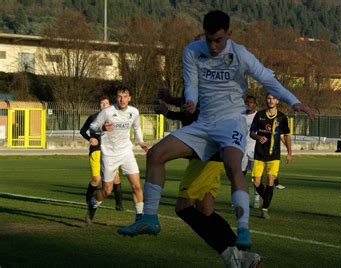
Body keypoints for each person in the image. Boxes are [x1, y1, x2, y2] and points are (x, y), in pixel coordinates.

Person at [117, 10, 315, 251]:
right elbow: (191, 85)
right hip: (203, 125)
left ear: (229, 35)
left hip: (231, 122)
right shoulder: (192, 50)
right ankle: (150, 218)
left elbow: (268, 80)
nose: (212, 45)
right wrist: (190, 100)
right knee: (155, 155)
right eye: (209, 39)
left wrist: (295, 102)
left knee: (233, 165)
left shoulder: (240, 55)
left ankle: (243, 230)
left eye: (218, 40)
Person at [152, 88, 262, 267]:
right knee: (206, 212)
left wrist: (168, 113)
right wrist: (171, 99)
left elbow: (198, 117)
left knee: (183, 208)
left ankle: (229, 255)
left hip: (204, 158)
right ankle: (244, 256)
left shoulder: (205, 79)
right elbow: (194, 105)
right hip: (213, 157)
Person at [85, 86, 148, 225]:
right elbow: (92, 127)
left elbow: (137, 127)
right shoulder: (107, 112)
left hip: (126, 152)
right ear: (116, 97)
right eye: (120, 96)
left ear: (130, 98)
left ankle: (139, 218)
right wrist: (102, 128)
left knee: (137, 186)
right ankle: (93, 204)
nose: (122, 99)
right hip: (109, 155)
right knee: (107, 190)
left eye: (125, 96)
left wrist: (141, 142)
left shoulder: (134, 112)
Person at [250, 93, 292, 219]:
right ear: (266, 100)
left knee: (270, 180)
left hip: (274, 156)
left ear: (277, 101)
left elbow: (286, 136)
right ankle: (267, 198)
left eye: (273, 98)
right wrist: (258, 137)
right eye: (268, 98)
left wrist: (290, 153)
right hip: (259, 154)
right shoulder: (260, 115)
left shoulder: (282, 117)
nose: (271, 100)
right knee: (256, 182)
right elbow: (252, 133)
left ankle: (264, 209)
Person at [80, 96, 123, 211]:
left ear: (109, 105)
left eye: (106, 103)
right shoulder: (93, 117)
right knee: (96, 179)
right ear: (99, 105)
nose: (104, 105)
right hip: (96, 150)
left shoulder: (115, 118)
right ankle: (89, 200)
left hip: (110, 152)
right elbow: (82, 130)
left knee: (116, 178)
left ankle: (119, 204)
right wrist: (90, 139)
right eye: (102, 103)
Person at [241, 95, 260, 208]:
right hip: (242, 149)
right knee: (240, 175)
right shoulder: (240, 116)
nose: (249, 104)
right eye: (247, 102)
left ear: (255, 104)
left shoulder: (258, 116)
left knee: (256, 176)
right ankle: (240, 198)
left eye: (251, 102)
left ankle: (256, 199)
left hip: (255, 150)